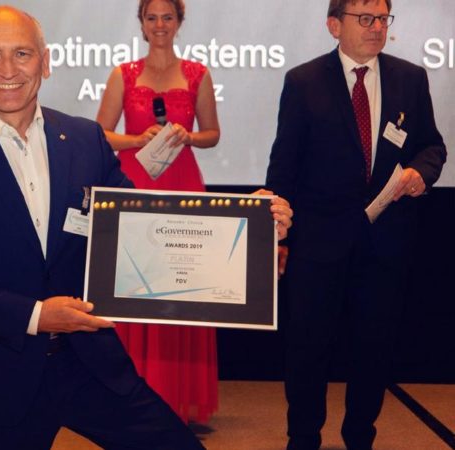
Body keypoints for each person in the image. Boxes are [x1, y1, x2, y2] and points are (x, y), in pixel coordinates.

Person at [0, 6, 215, 449]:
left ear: (45, 62)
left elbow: (143, 226)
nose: (7, 70)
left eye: (22, 53)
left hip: (90, 363)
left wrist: (255, 224)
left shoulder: (85, 139)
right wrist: (35, 316)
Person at [265, 1, 446, 449]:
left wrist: (421, 173)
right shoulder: (304, 81)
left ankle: (360, 435)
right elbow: (284, 165)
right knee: (308, 351)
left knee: (374, 349)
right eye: (365, 18)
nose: (376, 27)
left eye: (383, 18)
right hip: (317, 245)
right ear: (334, 25)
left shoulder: (410, 78)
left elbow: (432, 146)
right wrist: (278, 238)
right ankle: (303, 437)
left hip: (386, 244)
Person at [96, 0, 221, 424]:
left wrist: (189, 136)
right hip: (135, 185)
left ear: (179, 22)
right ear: (142, 23)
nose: (160, 24)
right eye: (152, 17)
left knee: (180, 287)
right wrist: (134, 139)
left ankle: (177, 399)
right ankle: (132, 400)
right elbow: (100, 134)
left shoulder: (198, 73)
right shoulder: (123, 73)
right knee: (135, 288)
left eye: (168, 17)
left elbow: (213, 134)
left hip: (182, 185)